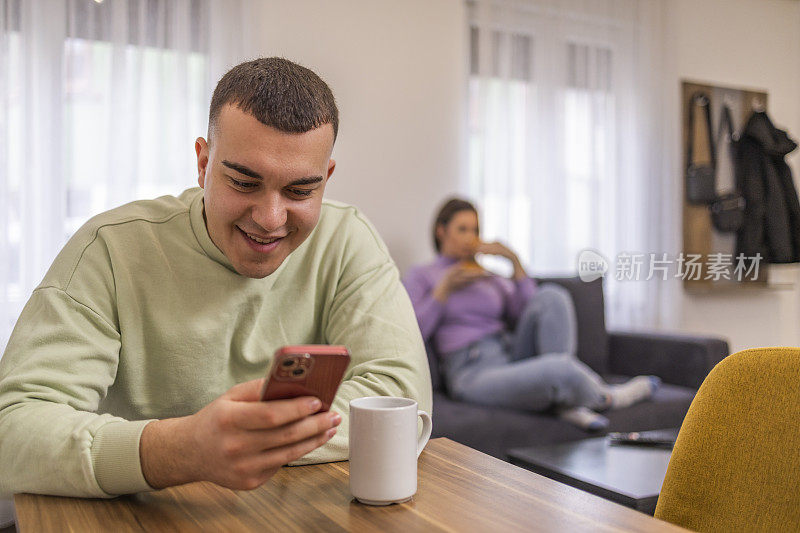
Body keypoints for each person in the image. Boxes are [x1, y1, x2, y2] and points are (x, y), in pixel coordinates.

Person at [0, 58, 431, 498]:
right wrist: (179, 450)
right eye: (244, 183)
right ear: (203, 163)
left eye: (301, 191)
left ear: (327, 178)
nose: (270, 219)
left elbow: (400, 402)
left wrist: (241, 439)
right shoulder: (110, 249)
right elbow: (13, 431)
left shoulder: (348, 239)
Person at [403, 198, 658, 431]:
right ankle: (608, 397)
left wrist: (513, 260)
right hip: (472, 371)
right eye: (462, 229)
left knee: (552, 296)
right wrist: (444, 289)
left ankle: (564, 400)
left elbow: (528, 309)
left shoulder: (486, 275)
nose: (471, 237)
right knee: (558, 368)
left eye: (476, 230)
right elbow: (413, 332)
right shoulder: (424, 275)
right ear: (441, 231)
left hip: (510, 354)